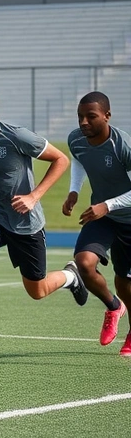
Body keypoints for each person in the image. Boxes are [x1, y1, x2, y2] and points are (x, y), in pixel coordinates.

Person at [0, 81, 86, 364]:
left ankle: (71, 276)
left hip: (26, 222)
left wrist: (34, 196)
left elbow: (60, 160)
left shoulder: (16, 136)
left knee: (37, 290)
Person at [63, 91, 131, 354]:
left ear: (107, 116)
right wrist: (74, 191)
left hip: (124, 218)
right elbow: (79, 161)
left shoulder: (122, 145)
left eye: (90, 116)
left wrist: (108, 205)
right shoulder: (76, 139)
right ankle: (113, 307)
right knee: (83, 262)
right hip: (102, 217)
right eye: (80, 116)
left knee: (124, 282)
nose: (83, 122)